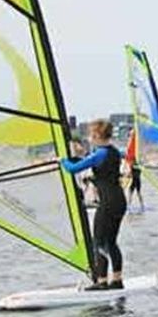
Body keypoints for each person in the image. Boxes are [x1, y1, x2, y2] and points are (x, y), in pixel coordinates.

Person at [60, 120, 126, 290]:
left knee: (98, 242)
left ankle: (102, 281)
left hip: (108, 203)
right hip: (119, 201)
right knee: (111, 242)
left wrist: (62, 160)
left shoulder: (99, 154)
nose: (89, 138)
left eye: (90, 135)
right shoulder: (113, 151)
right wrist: (81, 155)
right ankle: (117, 279)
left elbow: (73, 169)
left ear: (97, 135)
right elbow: (95, 161)